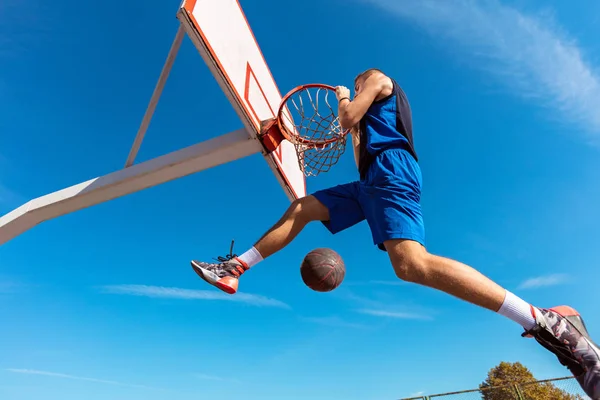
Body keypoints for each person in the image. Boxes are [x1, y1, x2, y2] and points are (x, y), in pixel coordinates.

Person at [190, 68, 600, 399]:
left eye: (355, 84)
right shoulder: (368, 123)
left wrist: (342, 96)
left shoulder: (375, 77)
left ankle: (544, 320)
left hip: (393, 169)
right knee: (304, 207)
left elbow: (348, 116)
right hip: (370, 180)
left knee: (411, 265)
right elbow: (353, 137)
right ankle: (235, 267)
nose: (353, 87)